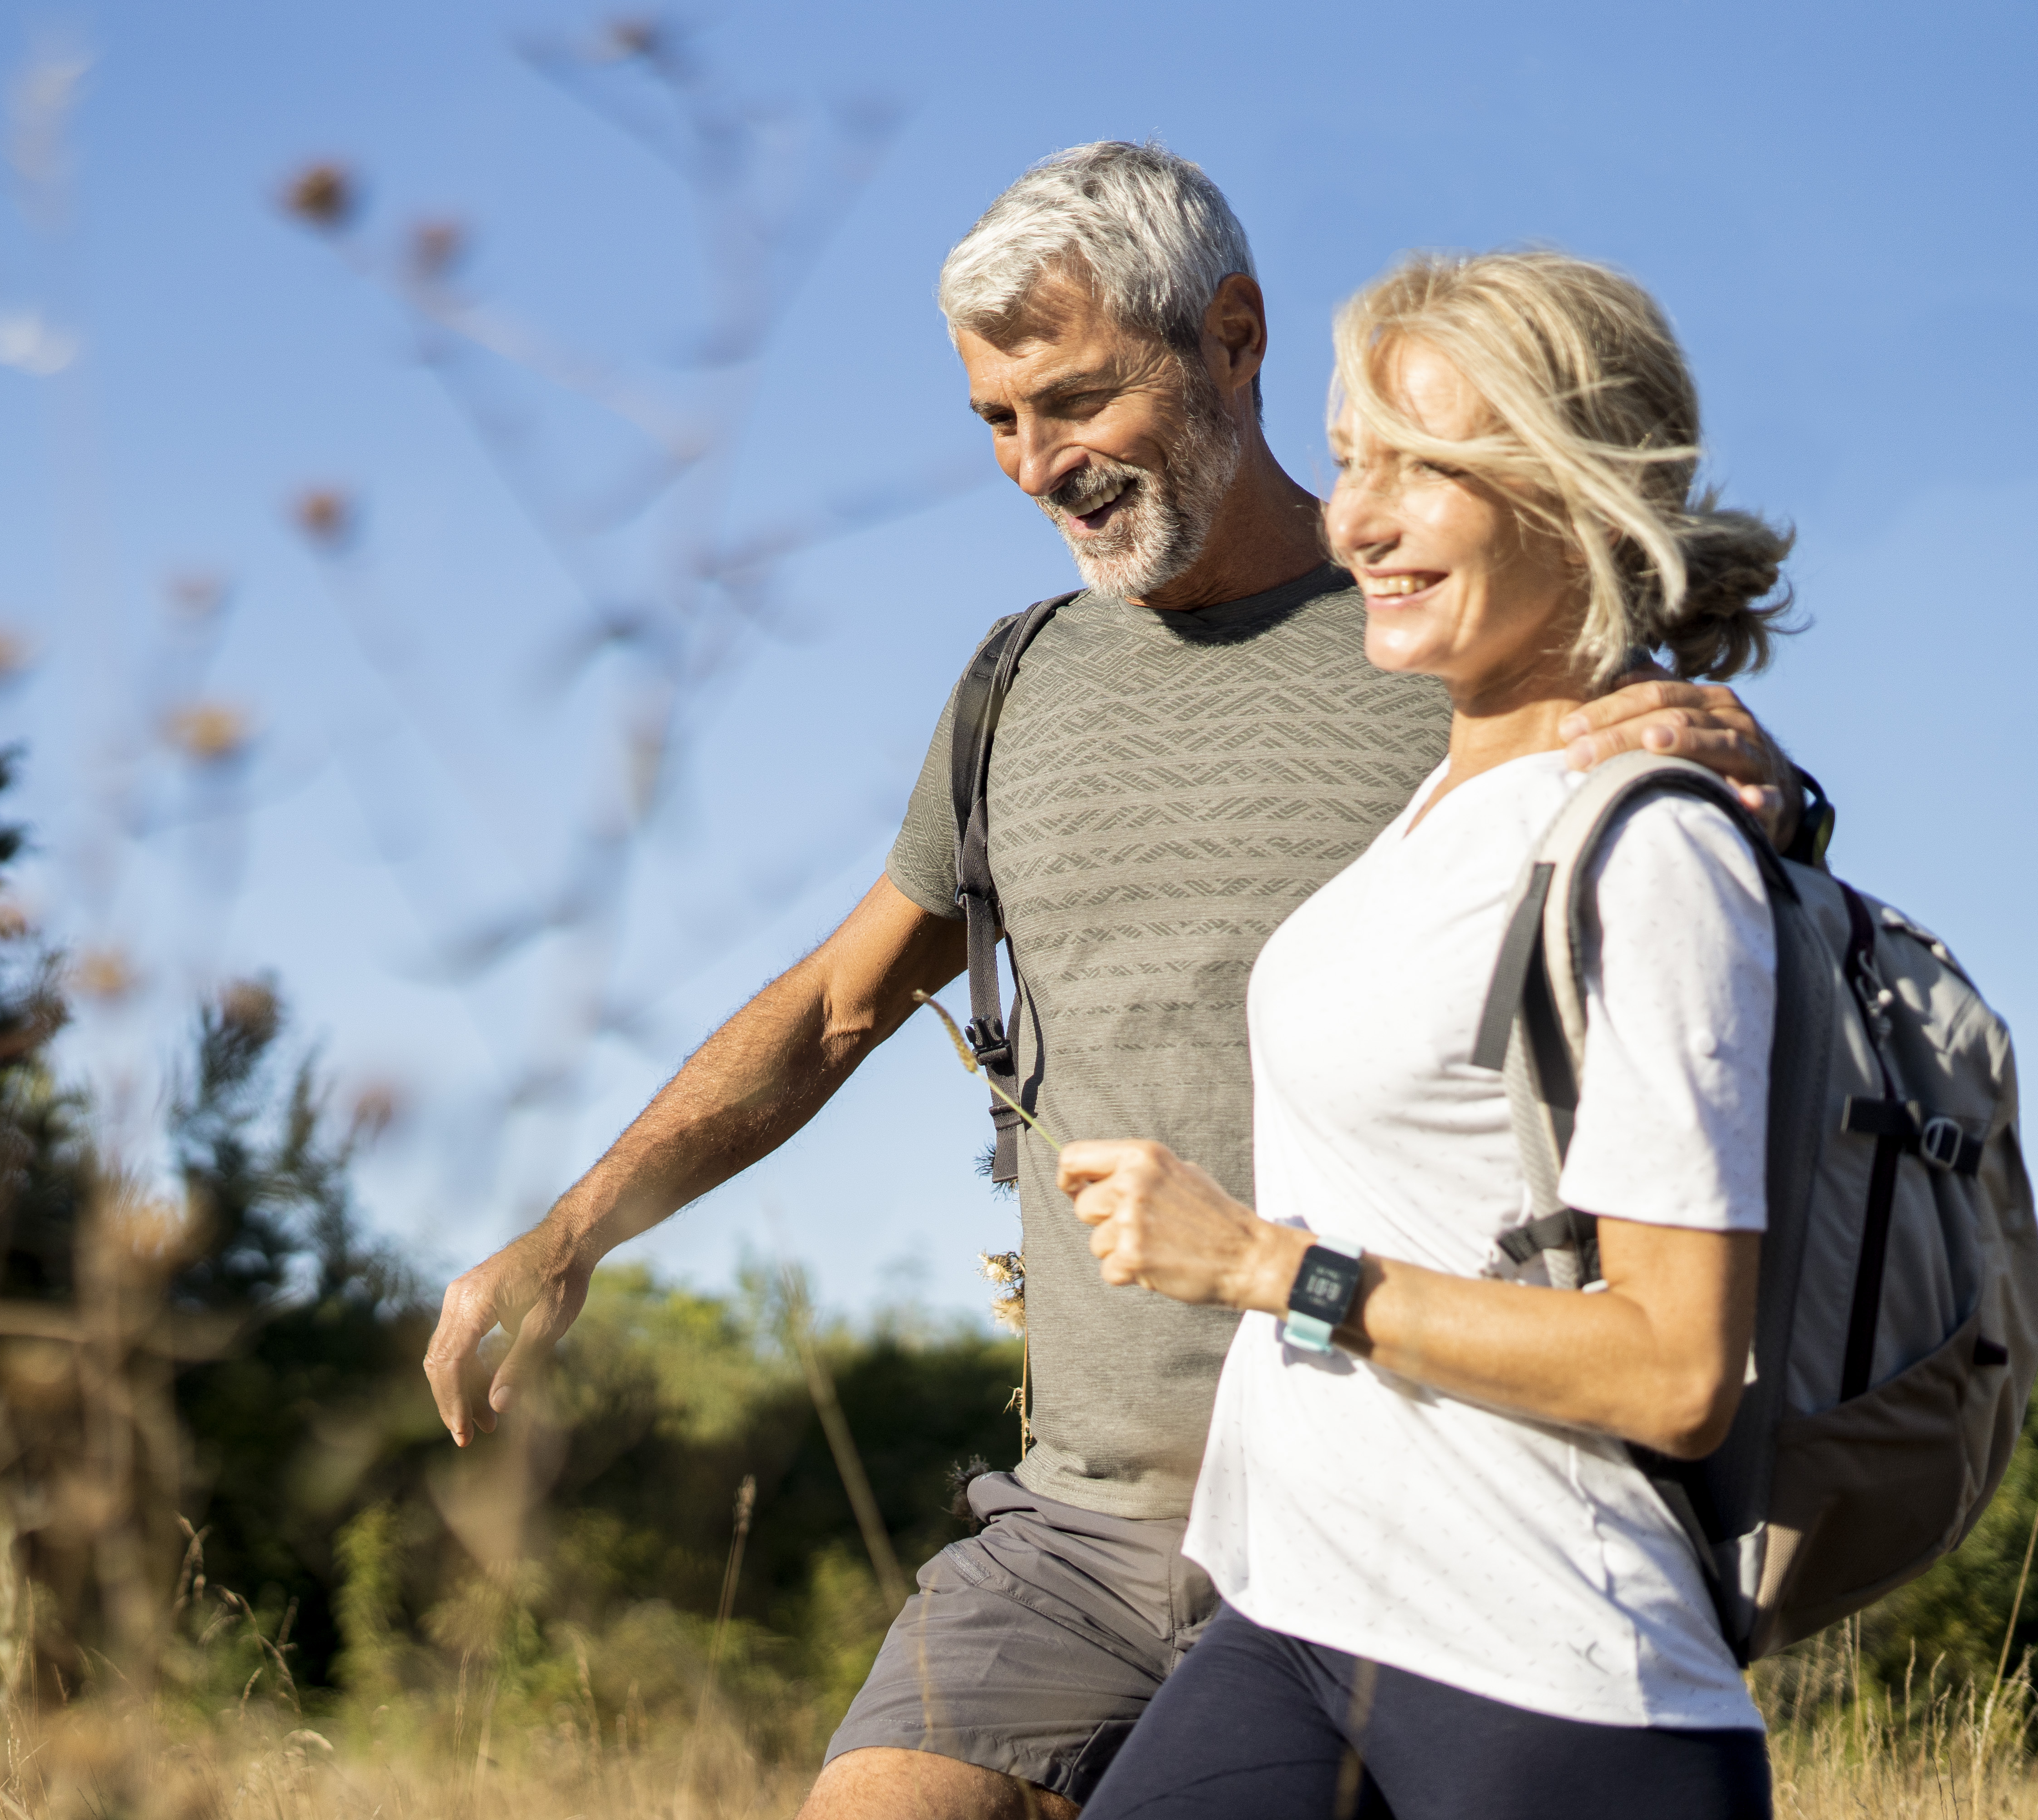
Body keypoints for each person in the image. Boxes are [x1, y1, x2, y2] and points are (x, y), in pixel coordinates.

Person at [423, 143, 1802, 1820]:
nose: (1035, 463)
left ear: (1233, 336)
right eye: (998, 420)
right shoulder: (1018, 688)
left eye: (1077, 399)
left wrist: (1770, 787)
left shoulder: (1455, 649)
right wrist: (577, 1227)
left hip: (1424, 1495)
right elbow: (839, 1003)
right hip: (1083, 1526)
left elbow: (1693, 943)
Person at [1060, 248, 1787, 1820]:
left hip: (1544, 1675)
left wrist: (1270, 1271)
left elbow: (1677, 1371)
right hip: (1300, 1619)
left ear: (1586, 497)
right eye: (1348, 463)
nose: (1361, 523)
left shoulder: (1646, 846)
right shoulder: (1432, 813)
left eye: (1429, 471)